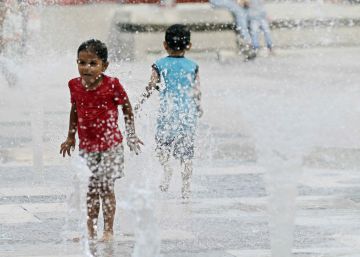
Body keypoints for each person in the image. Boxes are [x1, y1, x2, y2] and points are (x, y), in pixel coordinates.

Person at [60, 39, 143, 241]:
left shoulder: (112, 85)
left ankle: (108, 230)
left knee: (106, 188)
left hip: (110, 146)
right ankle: (90, 231)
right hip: (87, 147)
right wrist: (71, 137)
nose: (86, 68)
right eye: (82, 62)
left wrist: (131, 134)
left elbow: (127, 108)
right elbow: (75, 110)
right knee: (90, 189)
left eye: (92, 63)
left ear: (104, 65)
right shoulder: (74, 85)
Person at [135, 24, 203, 199]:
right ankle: (186, 188)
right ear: (189, 46)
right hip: (186, 117)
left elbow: (151, 86)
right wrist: (198, 107)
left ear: (165, 45)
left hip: (168, 115)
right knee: (187, 155)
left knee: (162, 147)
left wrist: (140, 102)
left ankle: (167, 170)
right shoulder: (193, 66)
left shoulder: (159, 64)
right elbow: (196, 91)